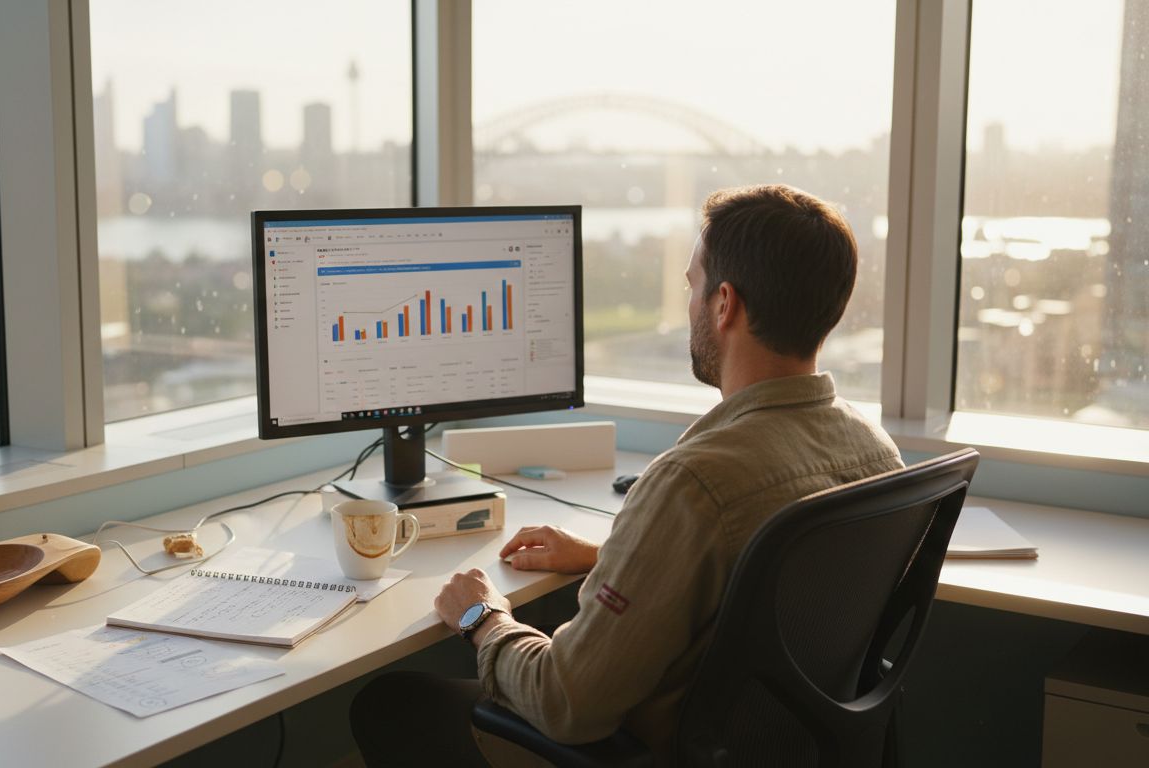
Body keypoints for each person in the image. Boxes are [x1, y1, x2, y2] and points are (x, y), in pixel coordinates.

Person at [350, 184, 904, 766]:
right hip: (785, 750)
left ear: (724, 304)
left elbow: (565, 703)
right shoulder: (875, 452)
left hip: (649, 751)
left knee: (392, 703)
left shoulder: (695, 483)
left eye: (691, 285)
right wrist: (612, 556)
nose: (688, 302)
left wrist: (480, 616)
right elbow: (769, 592)